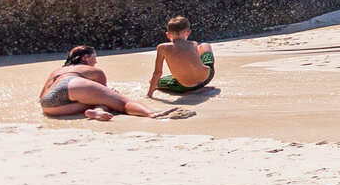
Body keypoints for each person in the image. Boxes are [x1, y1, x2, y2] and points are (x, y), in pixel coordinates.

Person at [38, 47, 181, 122]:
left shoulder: (56, 71)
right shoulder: (94, 71)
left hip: (50, 106)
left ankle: (96, 113)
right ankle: (152, 113)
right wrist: (113, 95)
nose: (96, 61)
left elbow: (41, 97)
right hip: (73, 84)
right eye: (94, 57)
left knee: (94, 102)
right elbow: (107, 98)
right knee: (121, 102)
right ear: (85, 57)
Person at [150, 15, 214, 94]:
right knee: (204, 45)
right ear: (188, 32)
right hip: (207, 78)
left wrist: (149, 94)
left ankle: (192, 90)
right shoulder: (193, 44)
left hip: (184, 87)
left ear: (168, 35)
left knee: (156, 82)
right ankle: (197, 87)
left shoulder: (162, 47)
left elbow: (157, 73)